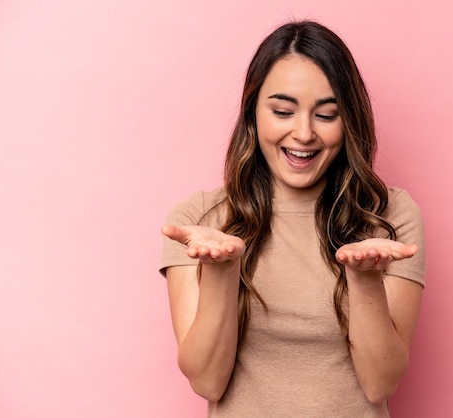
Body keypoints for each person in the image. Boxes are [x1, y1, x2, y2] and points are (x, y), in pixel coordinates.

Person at [159, 20, 425, 417]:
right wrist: (222, 270)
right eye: (283, 111)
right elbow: (207, 381)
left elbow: (380, 384)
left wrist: (365, 279)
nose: (303, 133)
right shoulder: (199, 220)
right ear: (253, 113)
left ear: (348, 120)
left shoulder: (389, 216)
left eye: (326, 114)